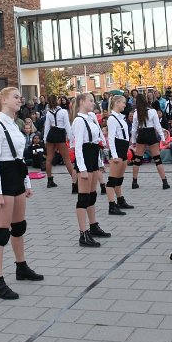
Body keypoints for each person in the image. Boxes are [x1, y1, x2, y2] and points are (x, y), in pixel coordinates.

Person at [0, 87, 43, 299]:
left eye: (21, 96)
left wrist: (27, 182)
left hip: (17, 176)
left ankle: (21, 267)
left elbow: (19, 157)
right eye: (16, 97)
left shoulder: (14, 125)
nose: (20, 100)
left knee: (19, 227)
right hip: (4, 178)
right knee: (1, 232)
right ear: (3, 100)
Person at [70, 92, 110, 247]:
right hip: (84, 159)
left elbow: (97, 140)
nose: (93, 103)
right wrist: (81, 168)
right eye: (91, 101)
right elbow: (78, 146)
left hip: (93, 157)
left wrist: (99, 162)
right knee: (83, 197)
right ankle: (83, 234)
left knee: (92, 195)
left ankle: (93, 226)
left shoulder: (91, 117)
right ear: (81, 102)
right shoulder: (79, 121)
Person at [130, 93, 169, 190]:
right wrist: (163, 139)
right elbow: (158, 126)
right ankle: (164, 182)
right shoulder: (152, 111)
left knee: (137, 159)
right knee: (157, 159)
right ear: (146, 100)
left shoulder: (136, 113)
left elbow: (134, 129)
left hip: (141, 133)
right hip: (151, 133)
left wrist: (133, 141)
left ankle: (134, 182)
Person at [104, 95, 135, 215]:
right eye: (123, 103)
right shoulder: (112, 119)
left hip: (123, 148)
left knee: (119, 178)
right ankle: (112, 206)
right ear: (116, 103)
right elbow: (111, 138)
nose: (125, 105)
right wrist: (115, 155)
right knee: (112, 179)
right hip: (116, 149)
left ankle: (120, 200)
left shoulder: (121, 118)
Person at [42, 95, 76, 190]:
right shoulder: (63, 111)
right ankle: (74, 182)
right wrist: (70, 137)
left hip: (51, 134)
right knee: (67, 159)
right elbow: (67, 126)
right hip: (60, 134)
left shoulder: (48, 113)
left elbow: (47, 127)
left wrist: (45, 139)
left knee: (49, 159)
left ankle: (50, 180)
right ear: (57, 101)